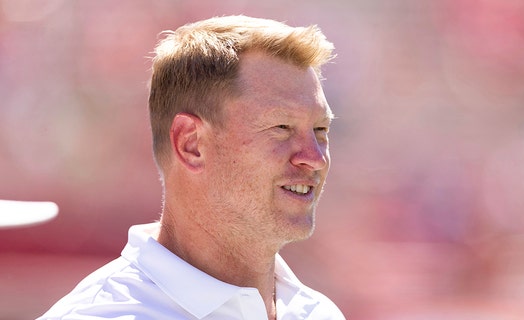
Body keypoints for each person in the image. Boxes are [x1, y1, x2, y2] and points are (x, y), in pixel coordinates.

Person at [38, 15, 344, 320]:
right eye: (282, 127)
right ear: (191, 145)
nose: (314, 157)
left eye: (320, 130)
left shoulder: (320, 312)